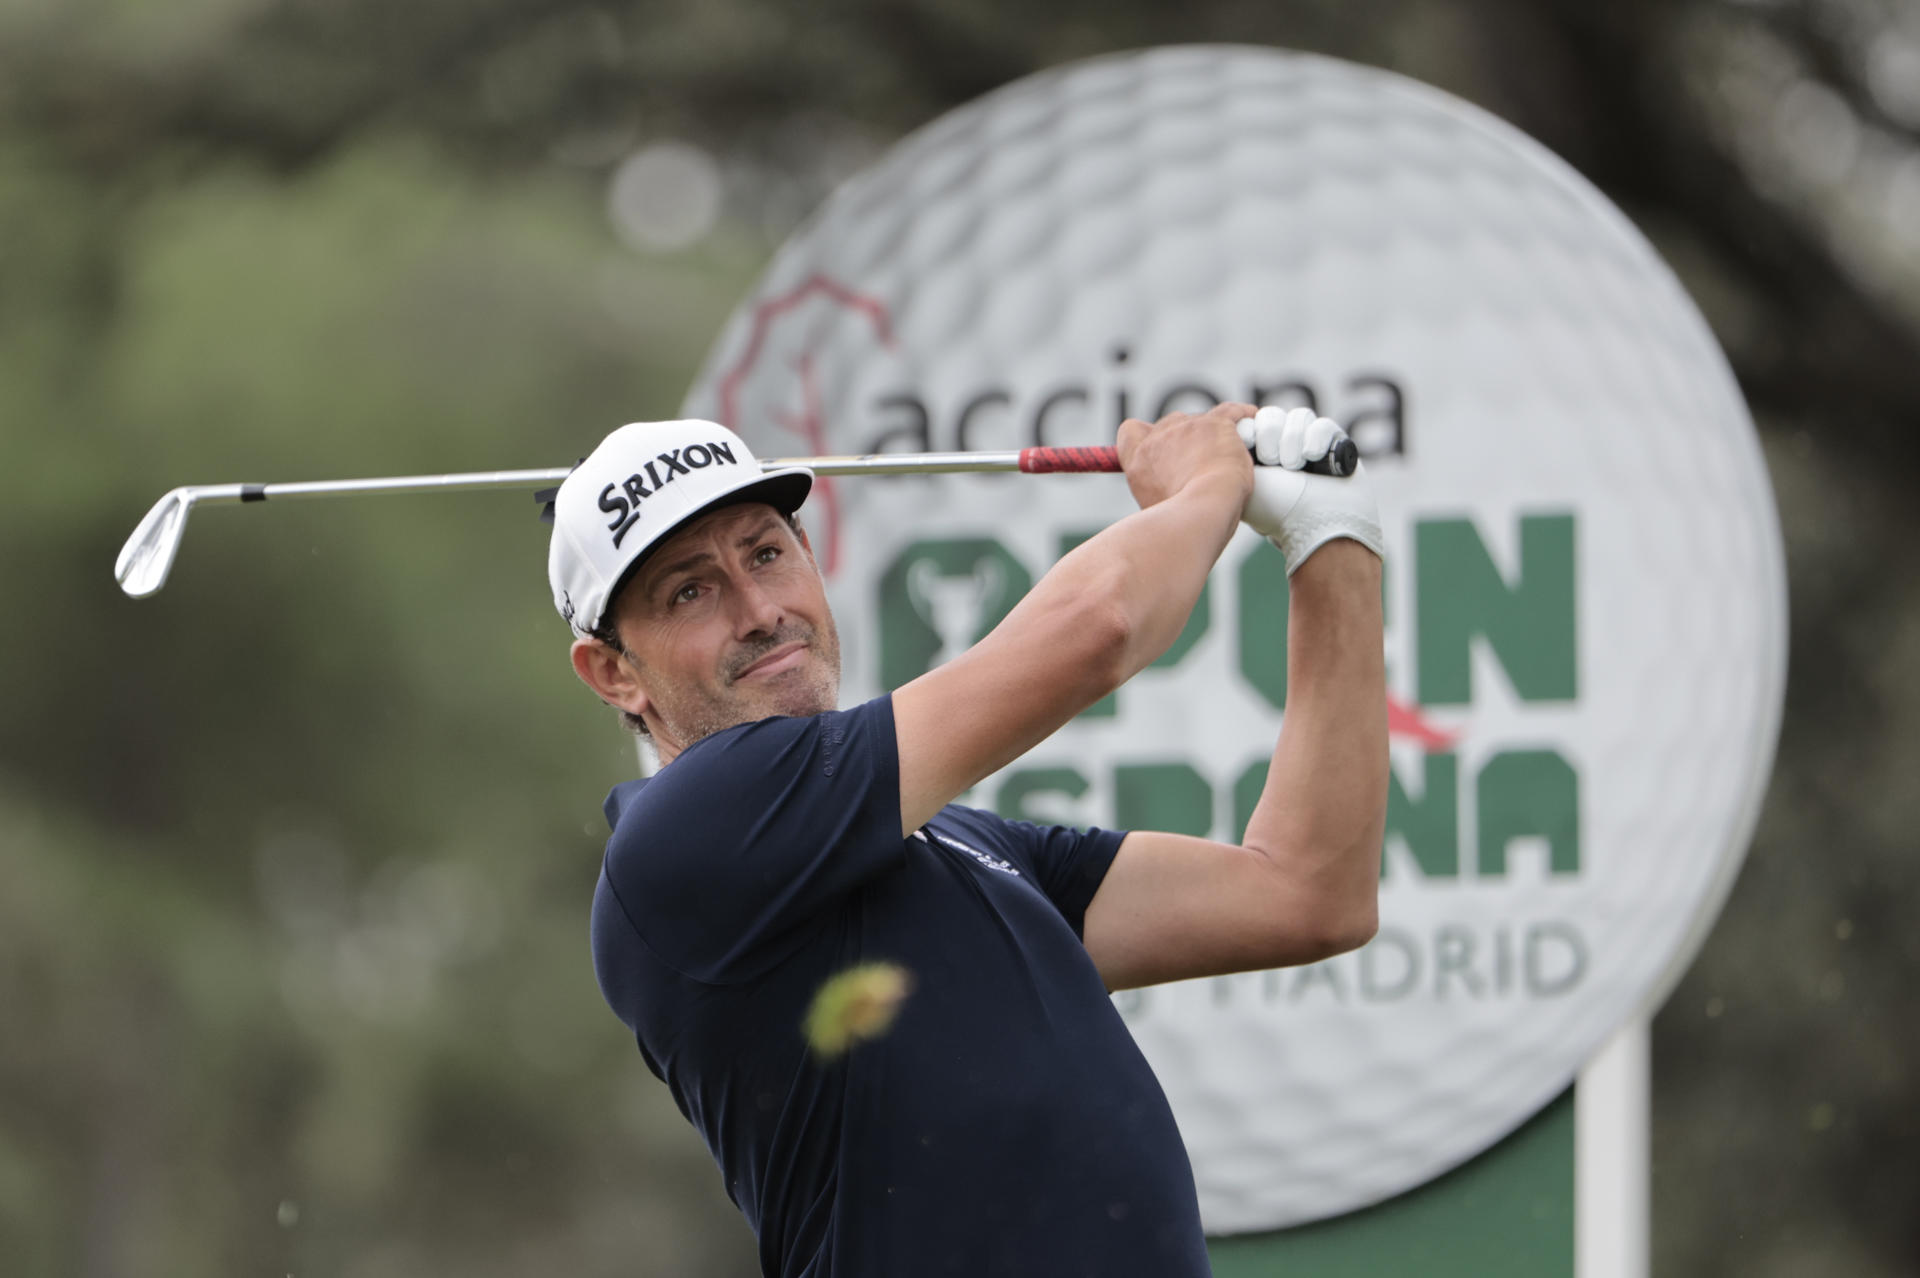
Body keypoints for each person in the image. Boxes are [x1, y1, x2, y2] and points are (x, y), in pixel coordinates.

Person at [547, 402, 1387, 1278]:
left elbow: (1305, 895)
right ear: (613, 672)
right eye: (691, 590)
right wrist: (1208, 482)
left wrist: (1333, 541)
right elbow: (1097, 628)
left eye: (766, 553)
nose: (759, 610)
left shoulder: (951, 841)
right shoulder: (684, 838)